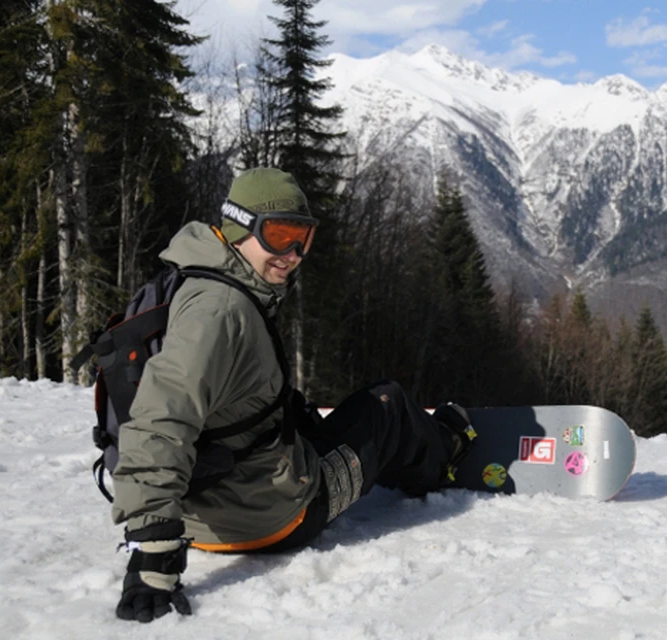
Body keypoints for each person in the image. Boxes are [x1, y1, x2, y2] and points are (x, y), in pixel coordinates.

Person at [111, 168, 475, 623]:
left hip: (206, 513)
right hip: (274, 517)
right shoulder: (221, 311)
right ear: (240, 227)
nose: (294, 254)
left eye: (303, 238)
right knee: (388, 404)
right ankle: (448, 453)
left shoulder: (199, 278)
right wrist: (153, 557)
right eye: (280, 235)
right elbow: (160, 420)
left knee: (303, 413)